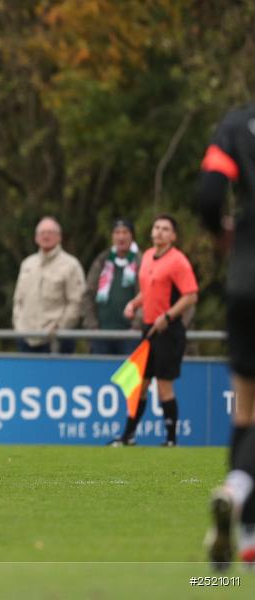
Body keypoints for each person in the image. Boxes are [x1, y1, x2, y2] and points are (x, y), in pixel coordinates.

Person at [197, 104, 255, 569]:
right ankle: (236, 491)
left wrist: (223, 234)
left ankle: (249, 532)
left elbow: (208, 194)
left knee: (246, 407)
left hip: (245, 281)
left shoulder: (237, 123)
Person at [110, 214, 198, 448]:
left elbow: (191, 295)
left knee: (164, 385)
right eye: (157, 227)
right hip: (149, 328)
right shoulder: (148, 256)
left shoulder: (178, 261)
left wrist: (168, 316)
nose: (159, 232)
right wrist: (134, 304)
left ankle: (170, 439)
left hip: (168, 330)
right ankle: (127, 436)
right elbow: (148, 290)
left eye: (165, 229)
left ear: (173, 236)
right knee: (140, 382)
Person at [12, 217, 85, 353]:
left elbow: (76, 302)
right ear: (36, 238)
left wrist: (60, 328)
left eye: (50, 232)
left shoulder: (71, 265)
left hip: (56, 341)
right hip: (26, 339)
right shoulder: (27, 264)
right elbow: (18, 300)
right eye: (42, 232)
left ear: (59, 237)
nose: (46, 236)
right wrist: (19, 327)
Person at [80, 219, 140, 355]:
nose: (121, 237)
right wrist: (91, 325)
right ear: (112, 236)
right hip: (101, 333)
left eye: (125, 232)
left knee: (126, 376)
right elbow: (88, 294)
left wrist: (137, 326)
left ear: (132, 236)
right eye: (117, 232)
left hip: (130, 335)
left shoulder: (141, 261)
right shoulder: (102, 260)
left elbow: (145, 295)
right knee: (99, 373)